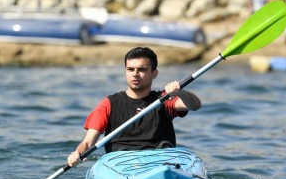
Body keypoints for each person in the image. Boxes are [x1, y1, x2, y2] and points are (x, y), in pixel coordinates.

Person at [67, 47, 202, 167]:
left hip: (161, 163)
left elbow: (194, 105)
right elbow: (88, 143)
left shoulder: (164, 99)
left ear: (154, 73)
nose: (135, 74)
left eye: (142, 69)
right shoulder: (109, 104)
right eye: (130, 69)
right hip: (121, 165)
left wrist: (180, 92)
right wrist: (77, 153)